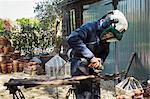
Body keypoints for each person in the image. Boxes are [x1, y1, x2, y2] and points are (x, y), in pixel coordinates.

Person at [67, 10, 128, 99]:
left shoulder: (105, 38)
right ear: (107, 25)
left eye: (111, 37)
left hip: (92, 69)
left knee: (95, 95)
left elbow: (105, 52)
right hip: (79, 65)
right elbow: (72, 39)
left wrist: (100, 62)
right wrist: (91, 57)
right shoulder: (90, 27)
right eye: (110, 34)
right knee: (84, 95)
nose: (108, 38)